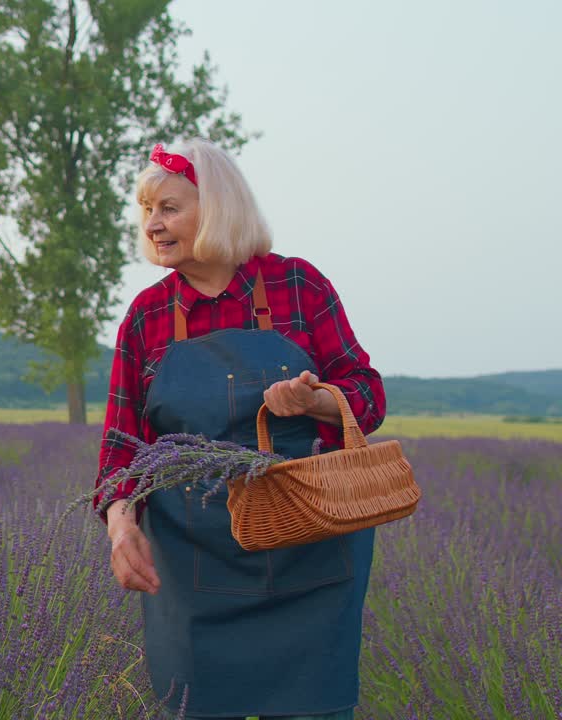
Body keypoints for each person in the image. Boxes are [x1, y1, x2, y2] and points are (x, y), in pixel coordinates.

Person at [95, 138, 384, 719]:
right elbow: (122, 445)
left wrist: (320, 400)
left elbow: (368, 394)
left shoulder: (298, 286)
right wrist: (121, 525)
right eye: (147, 210)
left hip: (311, 560)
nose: (153, 224)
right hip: (194, 568)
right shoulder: (148, 316)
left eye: (169, 208)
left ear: (219, 208)